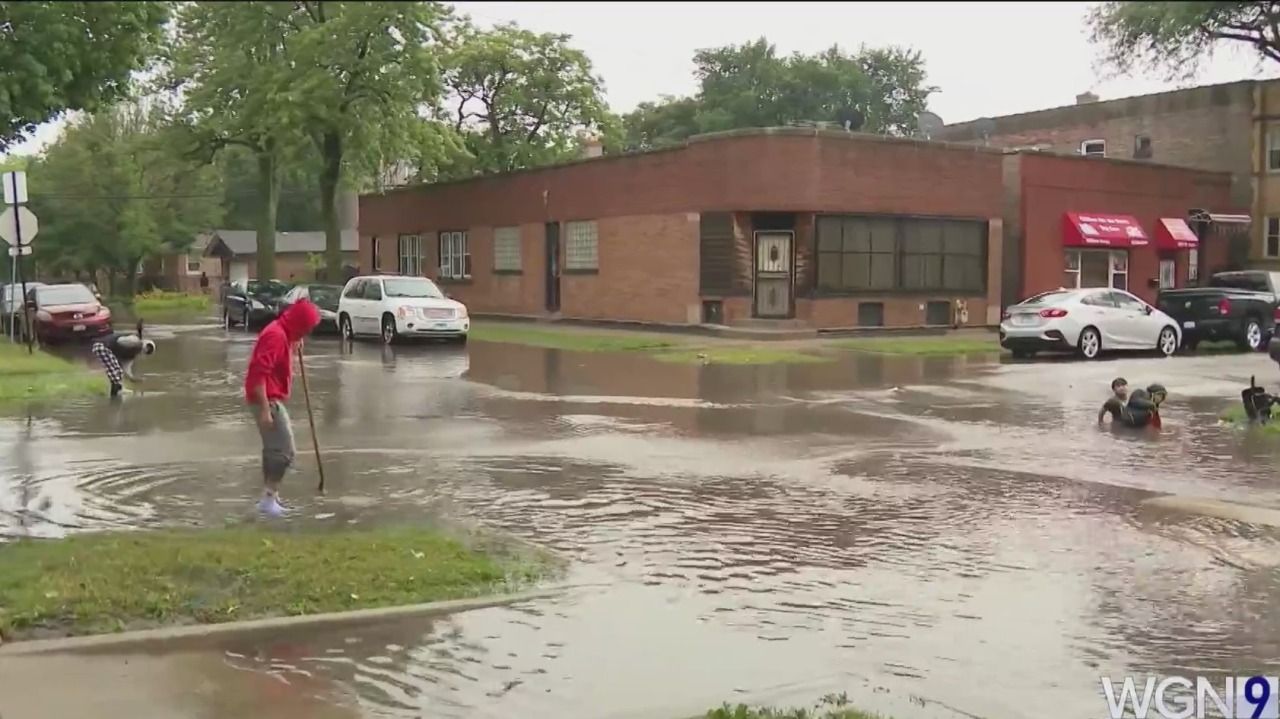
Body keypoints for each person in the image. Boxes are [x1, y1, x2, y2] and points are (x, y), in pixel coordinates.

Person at [244, 299, 321, 516]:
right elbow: (258, 374)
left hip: (267, 397)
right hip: (265, 399)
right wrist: (265, 410)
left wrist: (293, 344)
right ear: (299, 322)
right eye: (306, 328)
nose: (307, 332)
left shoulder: (283, 334)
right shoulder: (276, 336)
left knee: (273, 450)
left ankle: (270, 498)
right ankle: (268, 501)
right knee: (285, 451)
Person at [90, 320, 157, 398]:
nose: (146, 349)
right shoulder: (134, 340)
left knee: (118, 371)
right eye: (147, 347)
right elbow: (120, 341)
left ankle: (114, 393)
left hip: (105, 349)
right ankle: (119, 390)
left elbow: (126, 369)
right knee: (117, 370)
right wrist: (137, 343)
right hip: (101, 346)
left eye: (147, 351)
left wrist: (132, 379)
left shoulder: (131, 356)